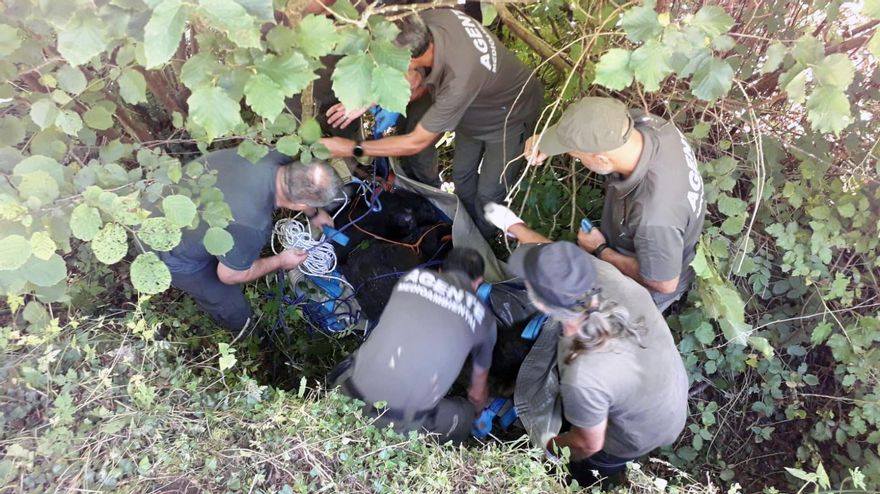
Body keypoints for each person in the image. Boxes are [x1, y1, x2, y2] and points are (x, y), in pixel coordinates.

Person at [483, 204, 689, 485]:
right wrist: (513, 225)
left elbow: (587, 444)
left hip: (640, 432)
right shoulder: (599, 273)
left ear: (541, 304)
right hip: (668, 390)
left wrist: (548, 446)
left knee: (588, 469)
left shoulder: (583, 375)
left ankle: (588, 482)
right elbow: (555, 255)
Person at [320, 8, 544, 237]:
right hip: (472, 112)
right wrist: (369, 98)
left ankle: (483, 239)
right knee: (462, 177)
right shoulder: (428, 23)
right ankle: (466, 229)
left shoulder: (459, 81)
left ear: (410, 59)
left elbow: (416, 142)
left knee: (488, 195)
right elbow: (415, 78)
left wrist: (352, 147)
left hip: (510, 118)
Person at [524, 97, 705, 311]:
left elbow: (664, 283)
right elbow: (593, 121)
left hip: (648, 282)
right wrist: (548, 143)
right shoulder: (649, 125)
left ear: (602, 160)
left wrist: (600, 249)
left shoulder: (653, 216)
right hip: (661, 240)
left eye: (577, 156)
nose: (574, 158)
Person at [152, 149, 342, 333]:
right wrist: (281, 261)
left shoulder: (271, 154)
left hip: (158, 203)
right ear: (300, 205)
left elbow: (297, 182)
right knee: (230, 305)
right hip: (166, 247)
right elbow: (229, 275)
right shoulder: (253, 225)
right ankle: (244, 332)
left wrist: (314, 213)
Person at [331, 247, 497, 444]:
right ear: (478, 282)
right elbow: (477, 394)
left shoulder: (411, 278)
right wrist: (478, 414)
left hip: (344, 390)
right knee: (465, 413)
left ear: (442, 270)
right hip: (390, 423)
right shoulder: (484, 320)